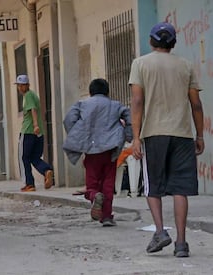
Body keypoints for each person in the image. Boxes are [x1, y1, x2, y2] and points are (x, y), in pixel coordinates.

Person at [129, 22, 204, 257]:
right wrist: (199, 134)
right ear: (173, 43)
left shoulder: (140, 64)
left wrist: (135, 137)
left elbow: (137, 102)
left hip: (153, 133)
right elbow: (196, 104)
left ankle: (161, 231)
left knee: (154, 187)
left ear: (151, 41)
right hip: (182, 134)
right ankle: (181, 243)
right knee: (180, 189)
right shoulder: (186, 66)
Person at [63, 78, 132, 227]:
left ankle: (94, 196)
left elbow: (68, 120)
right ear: (107, 92)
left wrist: (77, 135)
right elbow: (129, 116)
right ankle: (107, 216)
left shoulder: (82, 104)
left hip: (91, 151)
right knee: (108, 183)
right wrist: (128, 135)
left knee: (92, 185)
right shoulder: (115, 105)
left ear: (90, 92)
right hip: (111, 150)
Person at [15, 74, 53, 192]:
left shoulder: (28, 96)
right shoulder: (34, 95)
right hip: (38, 133)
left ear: (27, 86)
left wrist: (35, 125)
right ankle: (46, 170)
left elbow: (33, 110)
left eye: (22, 86)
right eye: (19, 86)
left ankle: (29, 184)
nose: (20, 88)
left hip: (28, 131)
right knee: (34, 157)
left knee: (23, 157)